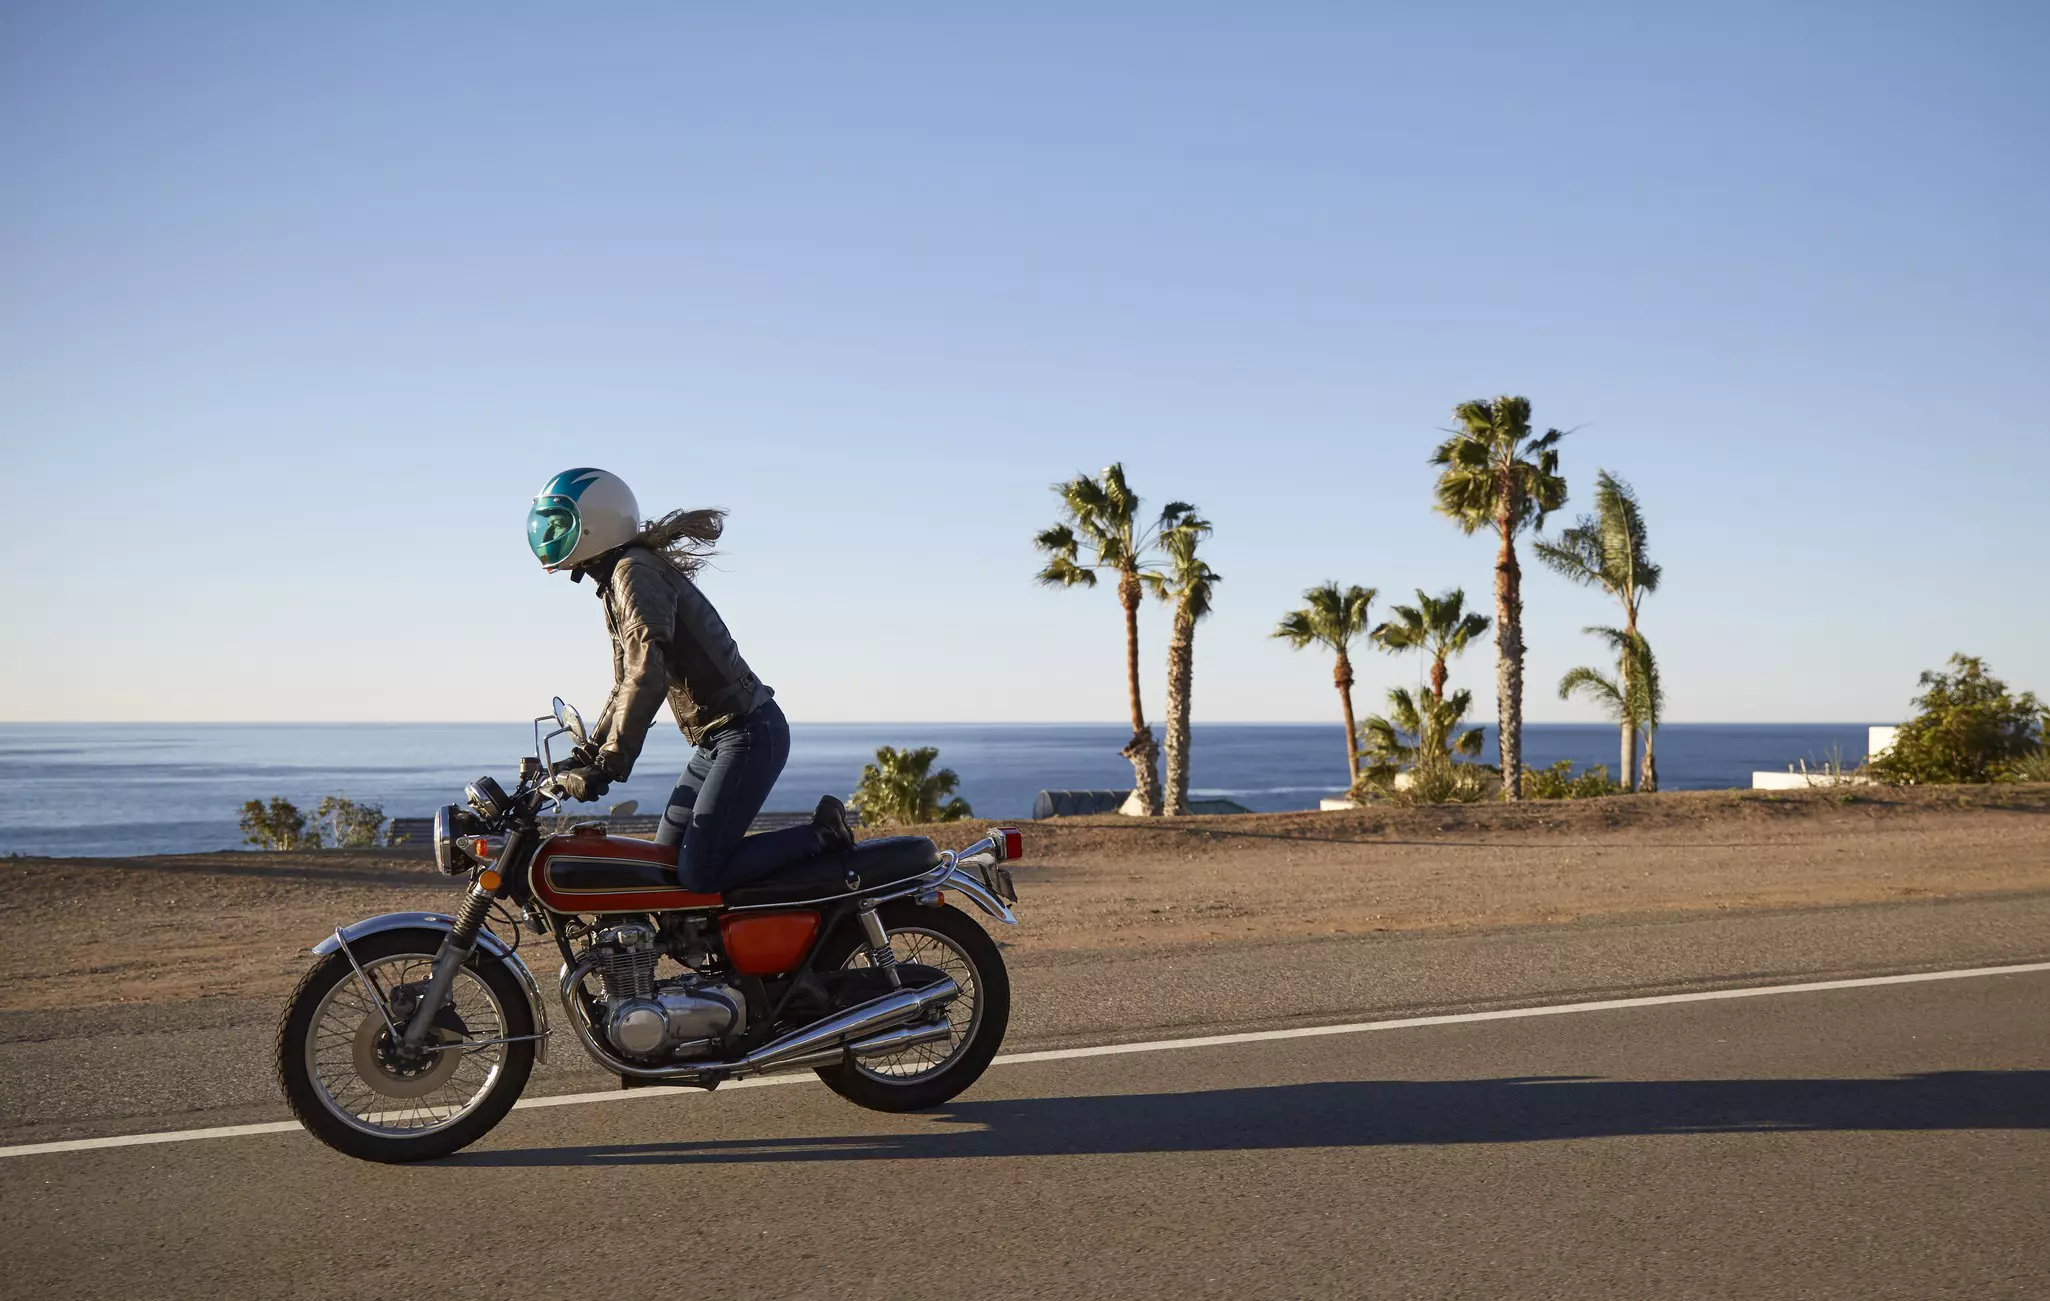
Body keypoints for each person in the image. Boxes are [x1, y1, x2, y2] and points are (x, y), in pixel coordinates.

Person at [525, 467, 852, 892]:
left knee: (701, 871)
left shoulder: (632, 573)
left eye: (560, 522)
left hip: (747, 734)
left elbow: (647, 675)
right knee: (663, 865)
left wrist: (609, 764)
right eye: (546, 522)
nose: (549, 532)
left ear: (595, 522)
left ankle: (822, 835)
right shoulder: (620, 577)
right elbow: (627, 681)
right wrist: (589, 753)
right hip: (716, 742)